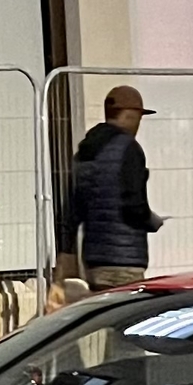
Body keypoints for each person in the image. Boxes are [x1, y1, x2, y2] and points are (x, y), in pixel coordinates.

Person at [63, 85, 164, 290]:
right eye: (138, 117)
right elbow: (134, 205)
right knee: (128, 316)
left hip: (94, 258)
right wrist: (151, 221)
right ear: (129, 115)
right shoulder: (129, 149)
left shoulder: (86, 150)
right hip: (125, 259)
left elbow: (74, 208)